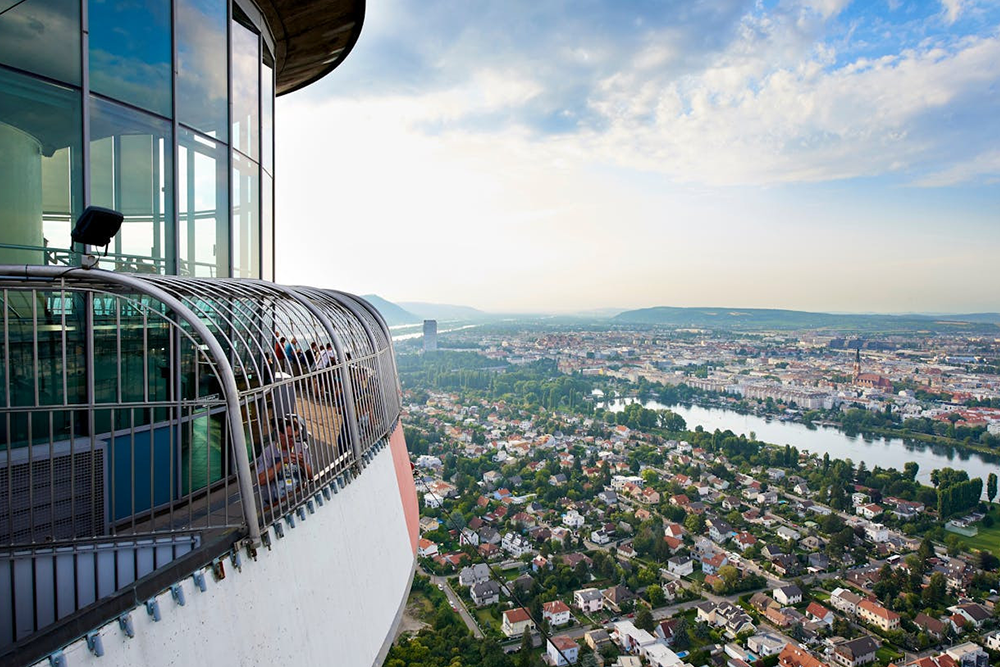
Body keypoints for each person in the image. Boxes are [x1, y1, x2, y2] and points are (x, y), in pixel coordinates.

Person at [255, 415, 313, 506]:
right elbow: (261, 480)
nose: (293, 440)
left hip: (299, 499)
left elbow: (311, 476)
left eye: (295, 437)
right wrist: (282, 463)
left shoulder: (300, 448)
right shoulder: (268, 452)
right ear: (279, 434)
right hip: (275, 504)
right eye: (289, 437)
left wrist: (302, 463)